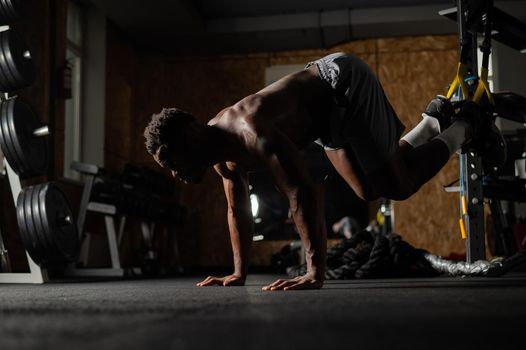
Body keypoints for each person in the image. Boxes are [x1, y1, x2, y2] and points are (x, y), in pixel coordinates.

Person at [143, 52, 497, 291]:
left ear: (190, 135)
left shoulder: (248, 130)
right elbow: (236, 212)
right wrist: (239, 273)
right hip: (325, 121)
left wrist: (315, 272)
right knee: (367, 190)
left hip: (341, 84)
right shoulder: (219, 157)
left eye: (172, 162)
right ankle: (434, 120)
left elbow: (301, 191)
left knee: (397, 185)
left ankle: (465, 125)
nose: (175, 174)